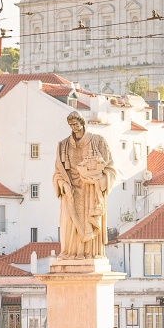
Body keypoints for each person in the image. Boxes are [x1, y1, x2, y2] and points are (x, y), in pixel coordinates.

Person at [53, 111, 116, 260]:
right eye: (71, 125)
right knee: (68, 221)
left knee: (90, 221)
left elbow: (110, 169)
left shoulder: (99, 141)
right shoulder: (63, 145)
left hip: (91, 191)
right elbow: (57, 173)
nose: (74, 127)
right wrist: (63, 185)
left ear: (82, 123)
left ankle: (90, 254)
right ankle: (70, 253)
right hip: (71, 191)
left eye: (76, 124)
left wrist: (97, 180)